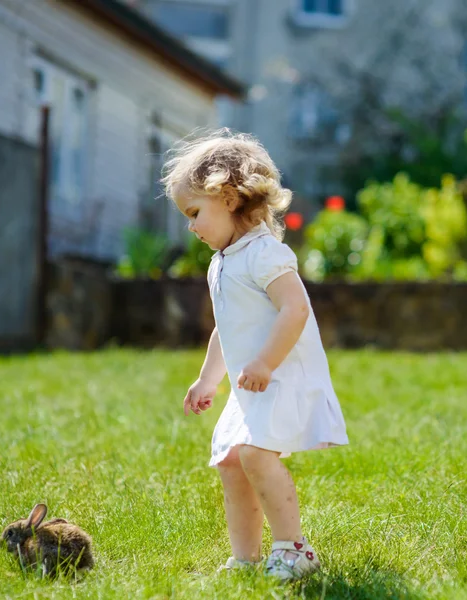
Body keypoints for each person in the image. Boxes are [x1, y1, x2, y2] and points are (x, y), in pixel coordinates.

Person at [162, 129, 349, 581]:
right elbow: (226, 330)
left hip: (283, 374)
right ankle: (245, 557)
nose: (190, 225)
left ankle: (294, 549)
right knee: (231, 459)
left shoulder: (264, 253)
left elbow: (295, 308)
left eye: (194, 212)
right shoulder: (222, 262)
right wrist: (209, 380)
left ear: (227, 197)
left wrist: (265, 362)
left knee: (255, 454)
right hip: (253, 384)